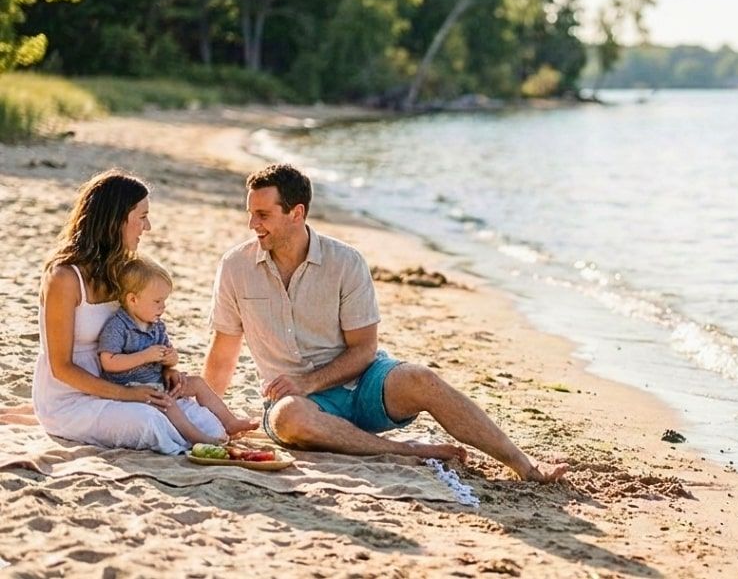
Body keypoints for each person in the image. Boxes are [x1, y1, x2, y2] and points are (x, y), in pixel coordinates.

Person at [202, 163, 568, 482]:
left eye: (262, 215)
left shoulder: (345, 262)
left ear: (296, 213)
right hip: (300, 405)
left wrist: (310, 380)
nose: (253, 225)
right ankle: (404, 450)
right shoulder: (235, 267)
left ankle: (523, 464)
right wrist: (202, 418)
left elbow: (365, 349)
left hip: (361, 384)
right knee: (290, 419)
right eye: (250, 214)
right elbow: (223, 353)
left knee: (420, 378)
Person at [33, 169, 227, 454]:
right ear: (115, 220)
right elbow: (60, 368)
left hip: (126, 384)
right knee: (149, 423)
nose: (147, 227)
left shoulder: (123, 271)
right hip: (70, 398)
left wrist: (167, 369)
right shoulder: (64, 277)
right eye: (142, 217)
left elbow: (141, 332)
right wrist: (128, 395)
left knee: (210, 426)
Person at [97, 256, 256, 445]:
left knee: (197, 382)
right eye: (157, 301)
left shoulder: (156, 327)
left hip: (158, 381)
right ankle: (197, 437)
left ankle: (230, 422)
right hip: (131, 387)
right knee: (167, 403)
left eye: (164, 300)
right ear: (133, 299)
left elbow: (169, 357)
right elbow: (108, 361)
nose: (163, 306)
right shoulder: (118, 326)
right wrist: (145, 356)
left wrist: (170, 362)